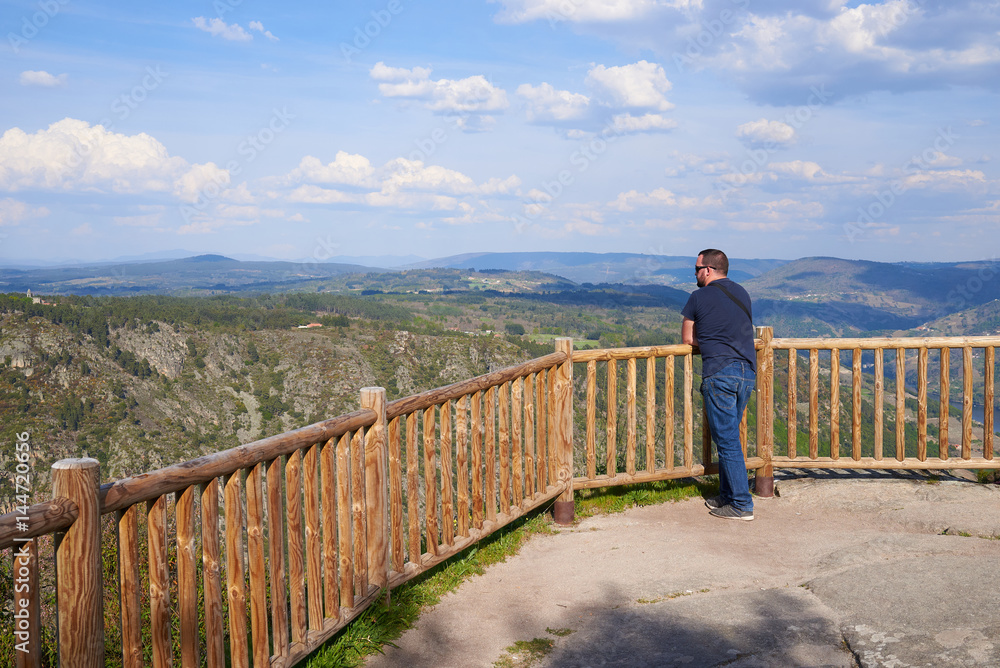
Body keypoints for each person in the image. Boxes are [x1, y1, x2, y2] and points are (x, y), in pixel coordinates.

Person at [681, 249, 757, 520]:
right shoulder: (742, 293)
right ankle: (727, 496)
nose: (695, 273)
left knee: (727, 442)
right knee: (729, 439)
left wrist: (710, 343)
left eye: (697, 268)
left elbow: (688, 338)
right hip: (747, 372)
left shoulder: (697, 297)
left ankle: (741, 505)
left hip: (719, 373)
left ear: (709, 270)